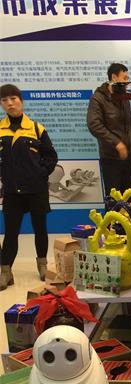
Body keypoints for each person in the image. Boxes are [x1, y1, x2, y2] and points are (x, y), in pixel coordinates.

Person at [0, 84, 58, 290]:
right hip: (12, 192)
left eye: (13, 99)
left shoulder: (36, 129)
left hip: (36, 190)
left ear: (21, 101)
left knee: (40, 229)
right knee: (11, 232)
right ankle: (5, 271)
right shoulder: (0, 130)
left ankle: (42, 265)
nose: (10, 103)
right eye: (5, 100)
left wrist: (40, 173)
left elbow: (51, 157)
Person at [87, 63, 131, 196]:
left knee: (130, 198)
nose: (127, 82)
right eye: (124, 78)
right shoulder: (98, 98)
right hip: (111, 159)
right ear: (114, 77)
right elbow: (94, 125)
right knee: (115, 199)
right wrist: (117, 143)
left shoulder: (123, 97)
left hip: (129, 158)